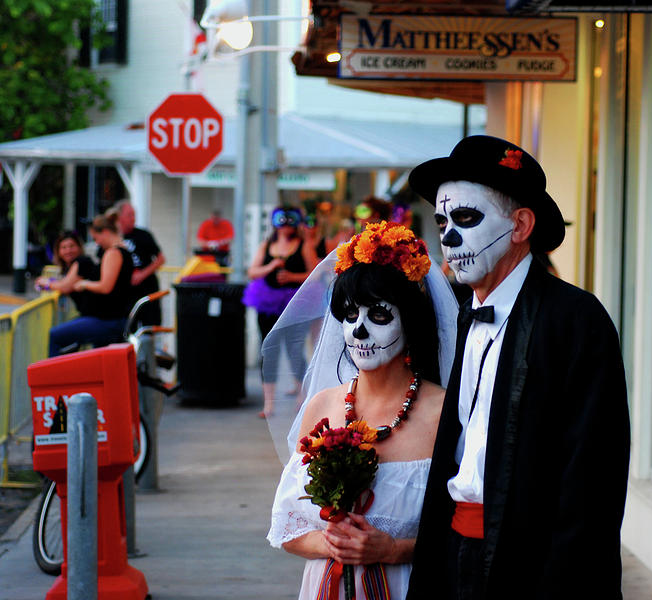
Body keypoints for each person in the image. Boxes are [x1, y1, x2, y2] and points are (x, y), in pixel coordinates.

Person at [406, 135, 630, 599]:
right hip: (454, 552)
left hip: (534, 564)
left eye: (466, 219)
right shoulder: (457, 315)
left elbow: (592, 477)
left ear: (521, 225)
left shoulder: (575, 320)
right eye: (442, 220)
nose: (447, 238)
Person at [266, 222, 459, 600]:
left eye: (379, 316)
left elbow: (467, 533)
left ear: (412, 321)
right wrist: (332, 544)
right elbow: (288, 529)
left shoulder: (445, 414)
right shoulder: (323, 406)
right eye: (350, 315)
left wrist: (391, 550)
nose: (359, 331)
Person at [242, 206, 322, 417]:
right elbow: (252, 271)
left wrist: (292, 278)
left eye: (290, 221)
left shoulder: (304, 244)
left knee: (295, 349)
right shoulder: (267, 245)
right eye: (282, 221)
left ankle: (302, 398)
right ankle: (269, 404)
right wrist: (271, 267)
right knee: (268, 350)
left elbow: (315, 272)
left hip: (296, 303)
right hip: (267, 303)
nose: (286, 226)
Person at [47, 214, 135, 357]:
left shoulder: (113, 252)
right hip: (110, 318)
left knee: (55, 336)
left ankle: (54, 379)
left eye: (95, 238)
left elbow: (105, 287)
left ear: (105, 232)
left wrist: (84, 284)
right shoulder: (123, 250)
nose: (97, 243)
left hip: (108, 320)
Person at [112, 199, 166, 326]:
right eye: (129, 215)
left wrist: (142, 274)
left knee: (150, 326)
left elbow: (160, 259)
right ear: (119, 217)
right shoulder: (114, 238)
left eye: (134, 215)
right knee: (128, 325)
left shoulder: (143, 235)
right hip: (126, 292)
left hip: (147, 288)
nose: (133, 218)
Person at [36, 231, 99, 315]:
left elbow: (65, 287)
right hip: (88, 315)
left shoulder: (83, 262)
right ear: (58, 251)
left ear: (79, 247)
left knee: (56, 329)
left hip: (96, 316)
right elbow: (64, 282)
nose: (68, 251)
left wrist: (47, 283)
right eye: (64, 247)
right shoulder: (69, 267)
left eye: (72, 246)